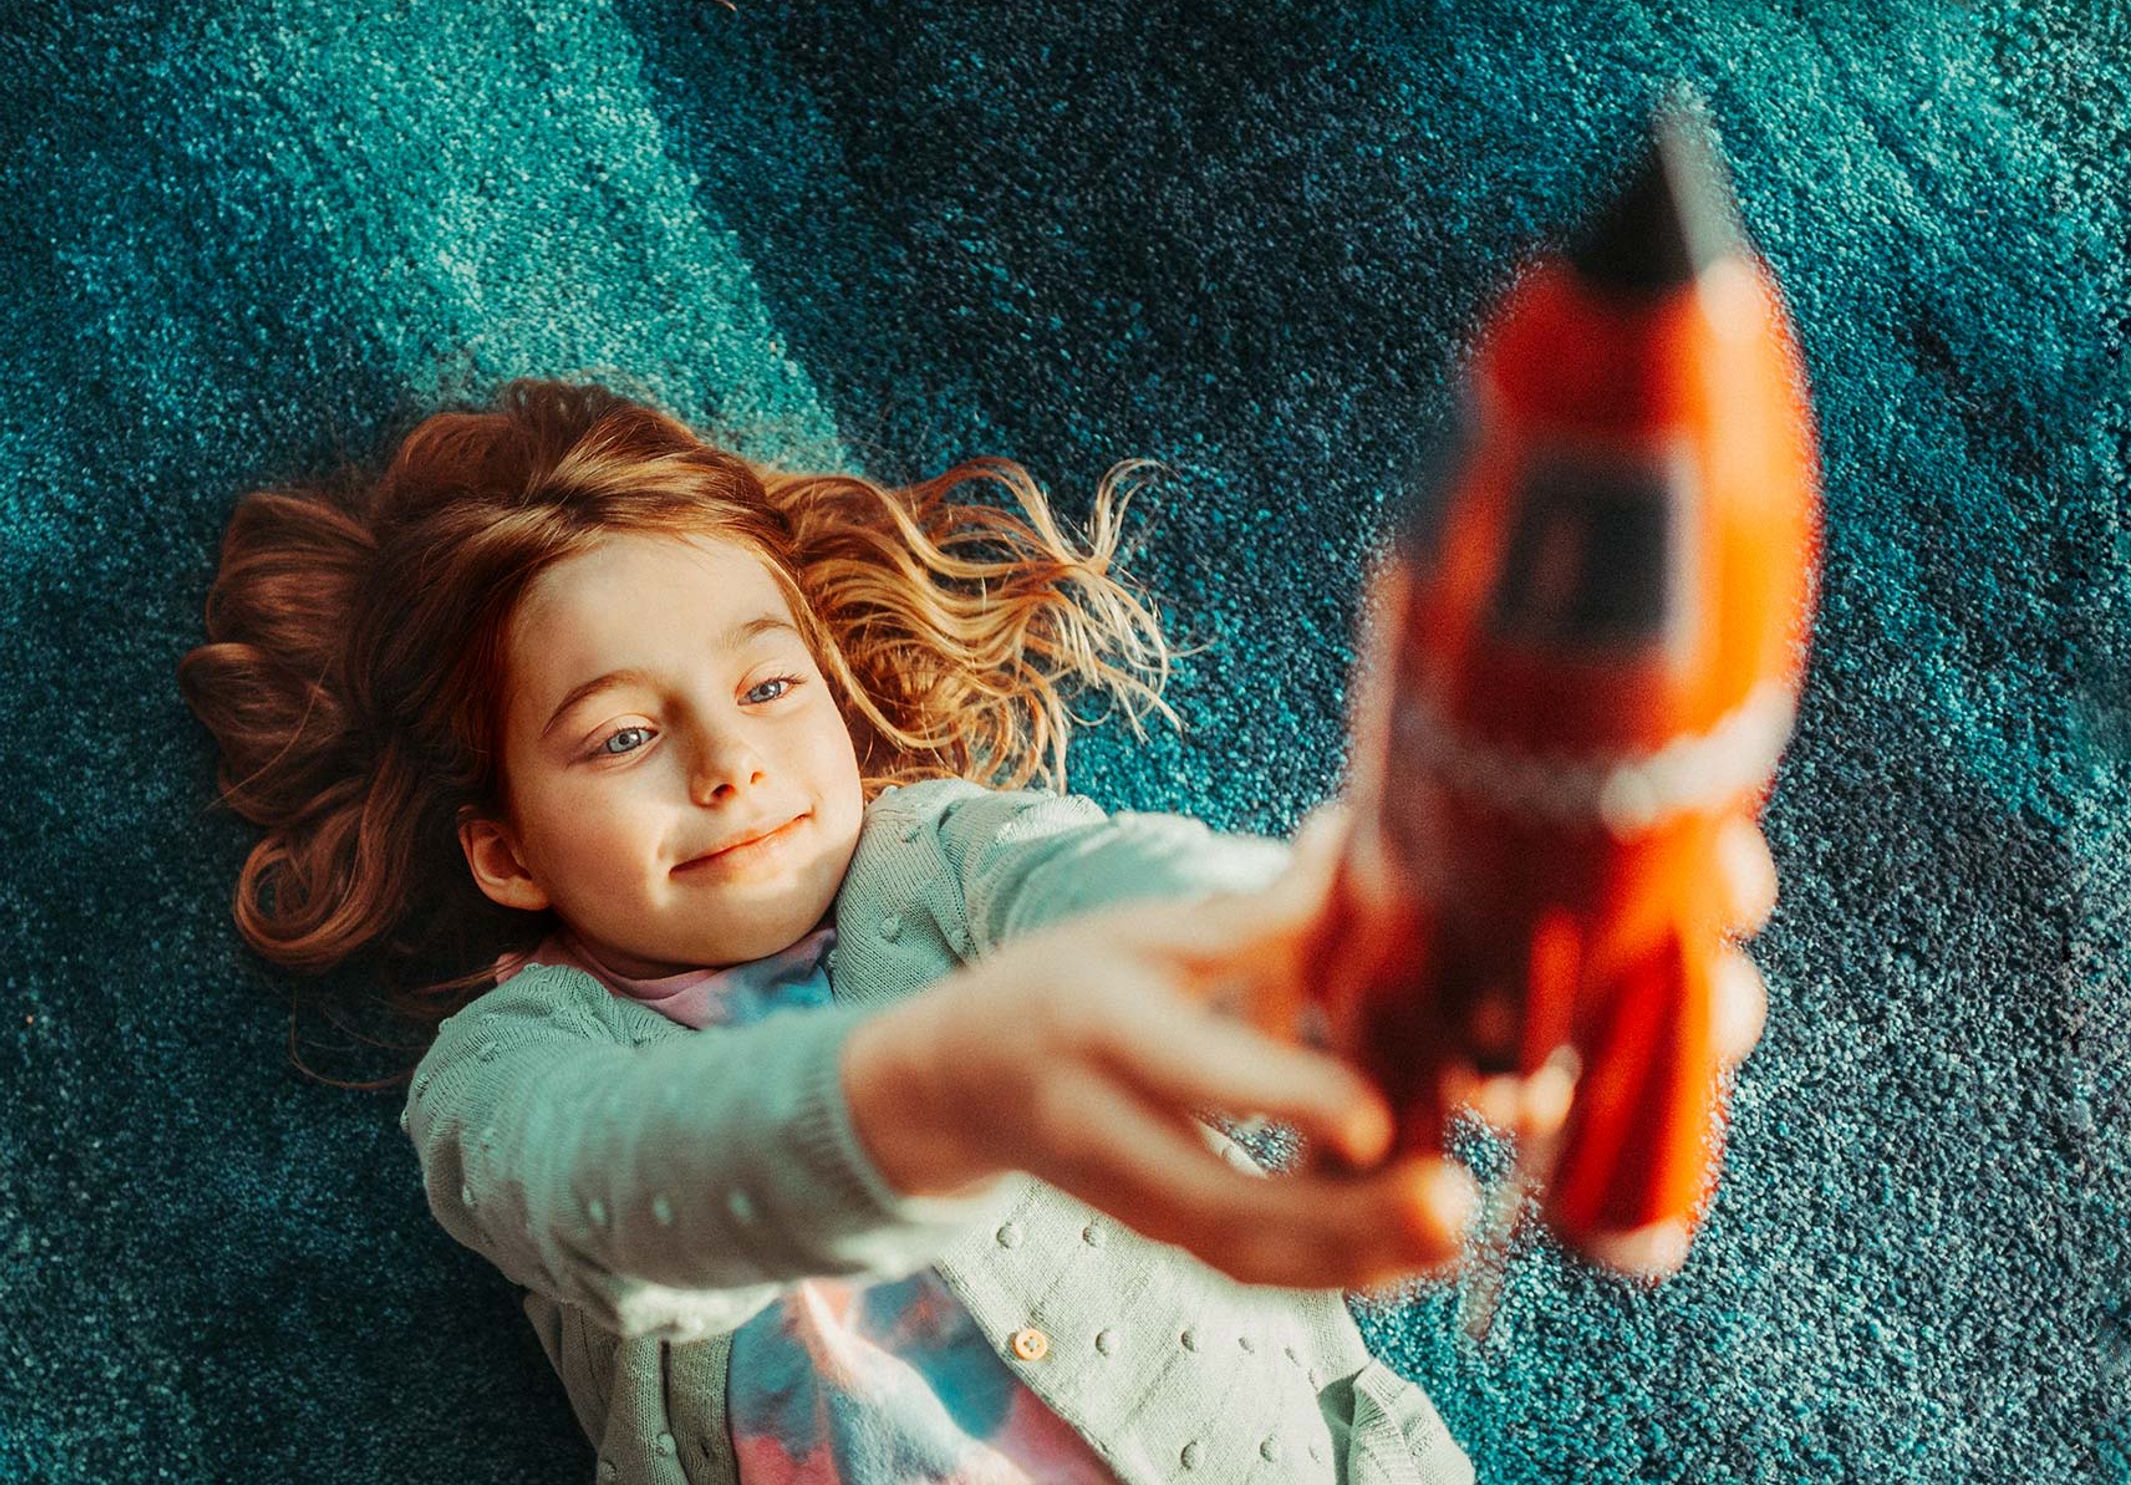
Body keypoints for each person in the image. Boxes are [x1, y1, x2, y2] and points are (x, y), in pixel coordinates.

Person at [177, 376, 1771, 1484]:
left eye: (764, 683)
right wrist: (918, 1099)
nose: (726, 758)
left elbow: (1112, 886)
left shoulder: (925, 854)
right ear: (506, 849)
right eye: (617, 737)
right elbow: (602, 1186)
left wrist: (1328, 945)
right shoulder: (510, 1058)